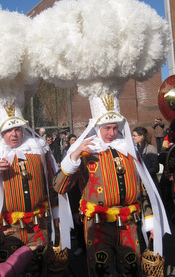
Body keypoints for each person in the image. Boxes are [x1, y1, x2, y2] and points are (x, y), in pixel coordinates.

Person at [53, 94, 170, 276]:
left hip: (129, 225)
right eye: (107, 128)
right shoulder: (86, 153)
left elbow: (144, 189)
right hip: (97, 226)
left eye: (115, 127)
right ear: (98, 128)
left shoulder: (129, 150)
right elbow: (59, 187)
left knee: (131, 270)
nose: (112, 132)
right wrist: (74, 156)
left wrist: (151, 223)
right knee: (101, 271)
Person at [0, 101, 60, 276]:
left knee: (37, 268)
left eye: (17, 129)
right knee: (7, 269)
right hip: (7, 228)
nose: (14, 134)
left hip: (38, 224)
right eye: (8, 130)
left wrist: (57, 219)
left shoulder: (38, 150)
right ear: (0, 132)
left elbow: (51, 185)